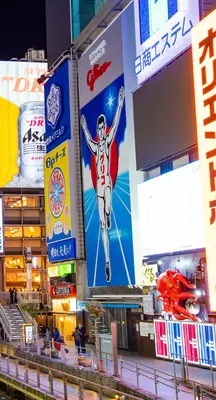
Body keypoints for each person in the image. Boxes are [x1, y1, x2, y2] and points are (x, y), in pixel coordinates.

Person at [80, 85, 125, 283]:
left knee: (106, 210)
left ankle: (107, 214)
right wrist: (83, 126)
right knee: (101, 226)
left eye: (101, 127)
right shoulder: (96, 146)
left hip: (107, 184)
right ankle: (107, 261)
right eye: (99, 128)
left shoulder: (106, 144)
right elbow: (88, 139)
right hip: (99, 187)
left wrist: (120, 103)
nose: (101, 131)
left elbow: (115, 123)